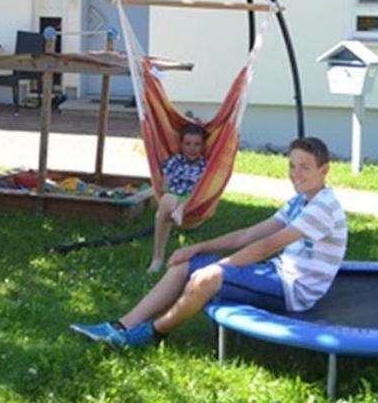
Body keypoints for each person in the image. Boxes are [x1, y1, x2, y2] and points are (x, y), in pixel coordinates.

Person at [71, 136, 346, 348]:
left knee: (205, 278)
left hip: (293, 292)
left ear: (324, 170)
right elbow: (249, 235)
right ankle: (120, 325)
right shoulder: (300, 201)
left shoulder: (323, 207)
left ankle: (151, 334)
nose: (296, 173)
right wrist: (197, 248)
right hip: (277, 273)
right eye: (292, 166)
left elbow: (267, 246)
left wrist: (220, 268)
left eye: (305, 167)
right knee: (183, 264)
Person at [149, 123, 209, 273]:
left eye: (197, 144)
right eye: (187, 143)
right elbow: (165, 186)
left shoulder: (206, 166)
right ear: (181, 145)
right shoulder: (173, 161)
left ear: (203, 146)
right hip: (174, 196)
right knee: (168, 199)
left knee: (191, 196)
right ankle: (157, 258)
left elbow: (205, 190)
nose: (192, 148)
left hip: (194, 199)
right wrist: (165, 193)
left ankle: (180, 210)